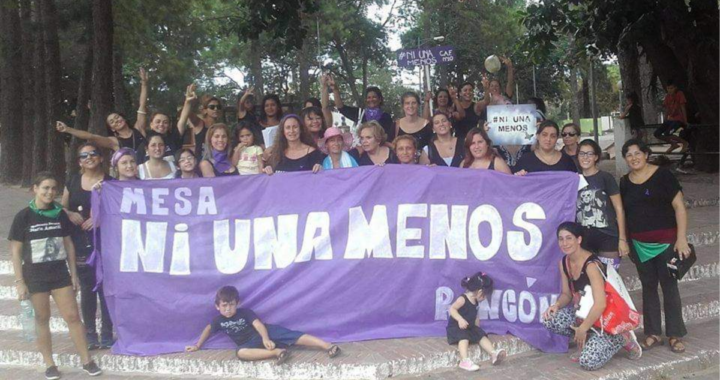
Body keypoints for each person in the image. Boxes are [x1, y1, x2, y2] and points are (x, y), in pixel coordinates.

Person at [9, 172, 103, 379]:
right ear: (35, 189)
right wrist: (19, 282)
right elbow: (15, 251)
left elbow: (68, 244)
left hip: (60, 275)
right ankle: (50, 364)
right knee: (42, 318)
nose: (50, 192)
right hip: (35, 276)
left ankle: (87, 360)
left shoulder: (61, 214)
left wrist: (74, 274)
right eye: (45, 188)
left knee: (73, 317)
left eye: (53, 189)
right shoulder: (23, 216)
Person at [619, 138, 690, 353]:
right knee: (648, 287)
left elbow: (679, 207)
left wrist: (682, 238)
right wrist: (624, 240)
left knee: (669, 287)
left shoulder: (663, 175)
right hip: (640, 245)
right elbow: (623, 212)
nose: (634, 158)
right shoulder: (624, 181)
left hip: (667, 242)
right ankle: (652, 333)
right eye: (629, 155)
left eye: (637, 153)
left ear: (646, 154)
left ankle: (675, 334)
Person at [542, 222, 642, 371]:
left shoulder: (591, 265)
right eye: (561, 239)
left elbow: (600, 304)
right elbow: (566, 294)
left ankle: (622, 337)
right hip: (583, 313)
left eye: (569, 238)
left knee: (588, 362)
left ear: (579, 240)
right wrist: (556, 305)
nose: (565, 243)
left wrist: (582, 328)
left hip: (605, 318)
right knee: (550, 319)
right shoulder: (564, 262)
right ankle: (589, 338)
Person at [185, 286, 340, 363]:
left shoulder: (244, 312)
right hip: (248, 343)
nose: (228, 309)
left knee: (292, 335)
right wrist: (197, 345)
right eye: (224, 306)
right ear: (217, 306)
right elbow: (208, 329)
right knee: (240, 353)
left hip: (265, 333)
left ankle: (328, 346)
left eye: (231, 305)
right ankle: (278, 352)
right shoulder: (218, 321)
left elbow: (258, 324)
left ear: (237, 303)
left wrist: (265, 338)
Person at [61, 144, 114, 351]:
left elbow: (119, 211)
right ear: (79, 161)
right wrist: (69, 213)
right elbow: (61, 207)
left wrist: (100, 218)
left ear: (101, 158)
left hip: (105, 242)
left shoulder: (111, 182)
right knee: (87, 287)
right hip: (80, 242)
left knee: (105, 288)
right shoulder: (73, 181)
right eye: (84, 155)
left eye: (93, 153)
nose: (89, 157)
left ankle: (107, 333)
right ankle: (90, 333)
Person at [576, 139, 629, 269]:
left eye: (589, 154)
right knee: (587, 282)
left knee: (609, 280)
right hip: (583, 238)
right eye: (582, 153)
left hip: (608, 236)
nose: (585, 157)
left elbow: (619, 209)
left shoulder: (606, 178)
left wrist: (622, 239)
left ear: (596, 157)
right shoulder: (574, 179)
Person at [447, 272, 506, 372]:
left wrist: (476, 328)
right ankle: (464, 360)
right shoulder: (463, 299)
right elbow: (452, 309)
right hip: (457, 327)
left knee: (481, 335)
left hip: (469, 326)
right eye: (485, 295)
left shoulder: (476, 301)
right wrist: (460, 319)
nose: (485, 297)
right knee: (464, 337)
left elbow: (475, 315)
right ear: (479, 292)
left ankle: (493, 354)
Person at [330, 74, 395, 142]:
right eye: (368, 98)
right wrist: (335, 89)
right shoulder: (359, 113)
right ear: (365, 100)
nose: (371, 99)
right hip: (362, 149)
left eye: (374, 97)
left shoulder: (386, 117)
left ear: (380, 99)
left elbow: (388, 137)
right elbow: (341, 108)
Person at [514, 120, 578, 175]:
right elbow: (515, 184)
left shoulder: (567, 161)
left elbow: (575, 184)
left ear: (557, 138)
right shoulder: (525, 160)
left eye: (552, 136)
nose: (548, 139)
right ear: (537, 136)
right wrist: (519, 176)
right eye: (544, 135)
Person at [177, 84, 219, 159]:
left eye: (218, 107)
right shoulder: (200, 123)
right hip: (201, 163)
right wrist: (189, 101)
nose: (216, 109)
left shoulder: (220, 127)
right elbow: (188, 113)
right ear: (205, 110)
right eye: (212, 107)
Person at [655, 81, 688, 152]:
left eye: (671, 88)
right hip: (670, 120)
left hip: (678, 120)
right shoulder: (667, 96)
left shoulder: (680, 94)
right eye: (668, 88)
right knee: (657, 133)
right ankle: (673, 144)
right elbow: (667, 110)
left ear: (675, 88)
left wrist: (685, 121)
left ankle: (685, 143)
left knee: (668, 133)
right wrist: (664, 120)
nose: (670, 90)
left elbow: (683, 108)